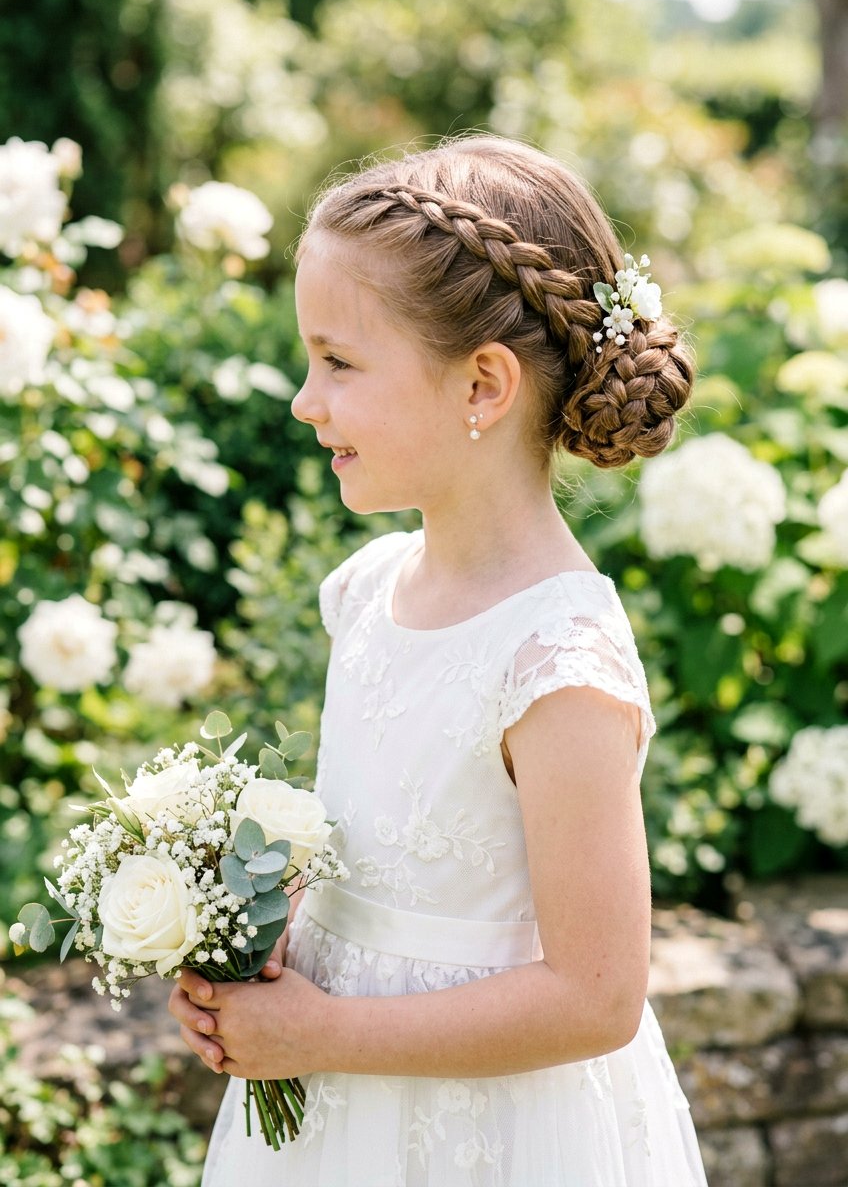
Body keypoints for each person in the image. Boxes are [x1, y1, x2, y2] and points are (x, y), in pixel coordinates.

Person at [169, 134, 709, 1186]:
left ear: (482, 386)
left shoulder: (557, 661)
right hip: (336, 1123)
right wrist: (259, 930)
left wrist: (319, 1036)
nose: (303, 399)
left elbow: (596, 996)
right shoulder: (370, 590)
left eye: (338, 361)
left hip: (496, 1138)